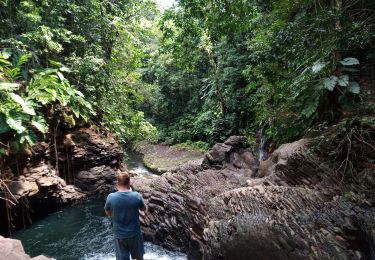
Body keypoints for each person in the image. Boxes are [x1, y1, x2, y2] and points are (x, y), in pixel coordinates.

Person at [104, 171, 146, 260]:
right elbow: (143, 209)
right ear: (129, 182)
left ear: (117, 183)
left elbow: (108, 213)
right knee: (138, 257)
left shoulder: (111, 197)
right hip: (134, 233)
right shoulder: (136, 196)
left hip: (119, 234)